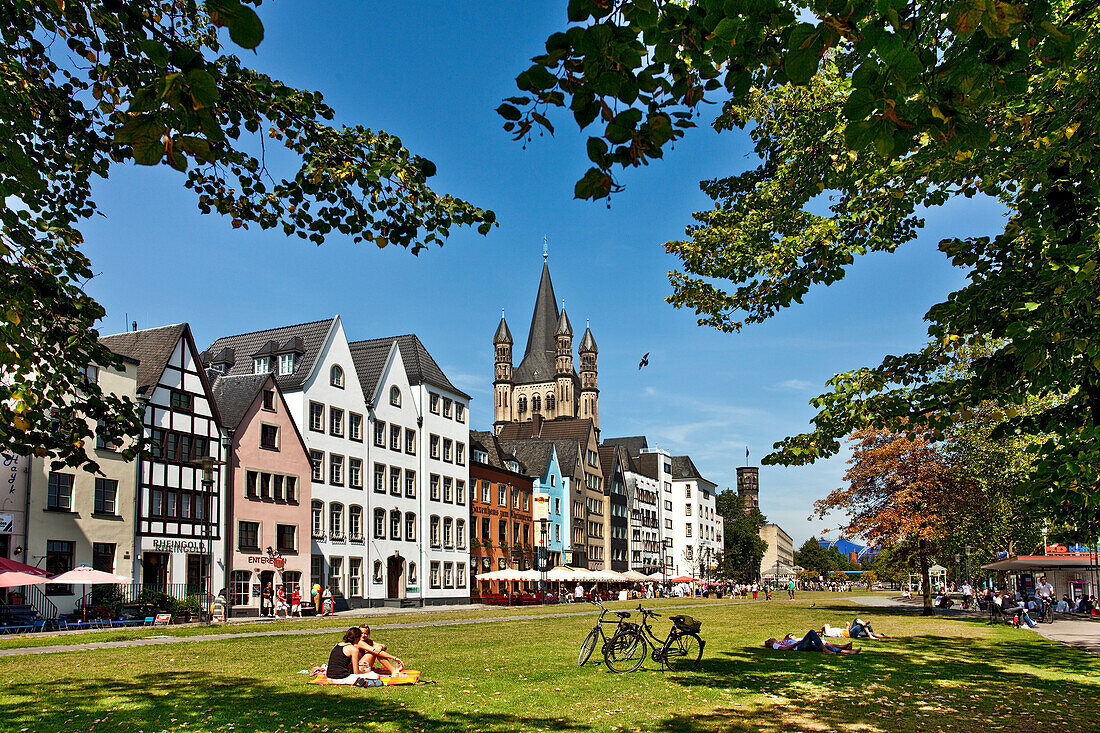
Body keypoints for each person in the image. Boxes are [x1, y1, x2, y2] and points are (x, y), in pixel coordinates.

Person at [765, 630, 859, 654]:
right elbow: (784, 649)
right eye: (769, 640)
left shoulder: (783, 640)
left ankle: (848, 651)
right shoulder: (775, 645)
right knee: (811, 632)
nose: (771, 638)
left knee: (821, 646)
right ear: (770, 643)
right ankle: (825, 650)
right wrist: (795, 644)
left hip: (803, 645)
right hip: (799, 647)